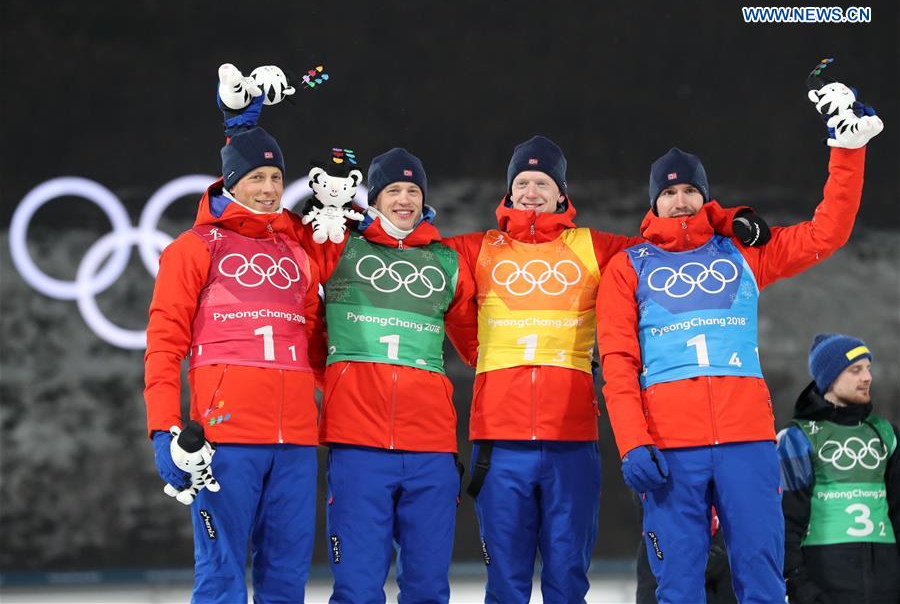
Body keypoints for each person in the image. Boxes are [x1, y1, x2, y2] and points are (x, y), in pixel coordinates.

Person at [443, 135, 766, 603]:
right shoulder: (478, 248)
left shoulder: (595, 248)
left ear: (562, 193)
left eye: (543, 182)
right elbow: (417, 255)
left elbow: (673, 235)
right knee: (505, 584)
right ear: (509, 193)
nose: (532, 191)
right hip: (499, 440)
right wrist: (477, 350)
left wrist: (724, 217)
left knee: (568, 580)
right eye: (522, 182)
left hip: (571, 440)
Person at [597, 81, 883, 603]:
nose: (681, 201)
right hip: (670, 444)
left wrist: (848, 152)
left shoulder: (742, 254)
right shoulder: (627, 269)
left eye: (690, 192)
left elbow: (825, 233)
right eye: (670, 192)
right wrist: (632, 441)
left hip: (746, 441)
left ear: (707, 198)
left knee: (761, 578)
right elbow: (617, 362)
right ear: (654, 201)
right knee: (677, 585)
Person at [144, 124, 325, 603]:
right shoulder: (194, 248)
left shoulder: (298, 251)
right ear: (229, 182)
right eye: (255, 178)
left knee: (286, 579)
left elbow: (312, 340)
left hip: (296, 442)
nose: (268, 189)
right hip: (227, 440)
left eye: (274, 177)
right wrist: (163, 429)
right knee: (221, 574)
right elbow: (164, 346)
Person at [298, 148, 477, 604]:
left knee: (428, 590)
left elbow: (479, 345)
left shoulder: (447, 263)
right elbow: (307, 323)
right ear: (372, 198)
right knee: (357, 590)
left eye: (413, 190)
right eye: (393, 190)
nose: (404, 199)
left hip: (431, 450)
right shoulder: (340, 246)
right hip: (358, 445)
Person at [777, 334, 900, 604]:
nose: (867, 377)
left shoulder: (886, 434)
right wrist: (799, 587)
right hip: (824, 586)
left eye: (868, 368)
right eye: (855, 370)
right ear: (829, 378)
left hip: (887, 586)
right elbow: (784, 523)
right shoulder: (797, 438)